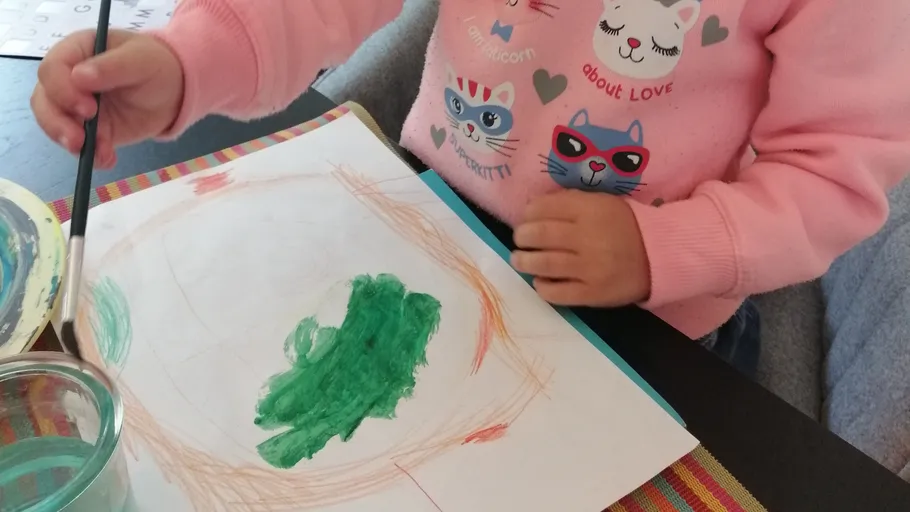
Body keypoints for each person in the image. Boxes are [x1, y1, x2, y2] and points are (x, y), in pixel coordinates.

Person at [30, 0, 910, 375]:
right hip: (429, 229)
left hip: (648, 315)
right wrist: (189, 62)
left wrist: (662, 249)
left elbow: (835, 173)